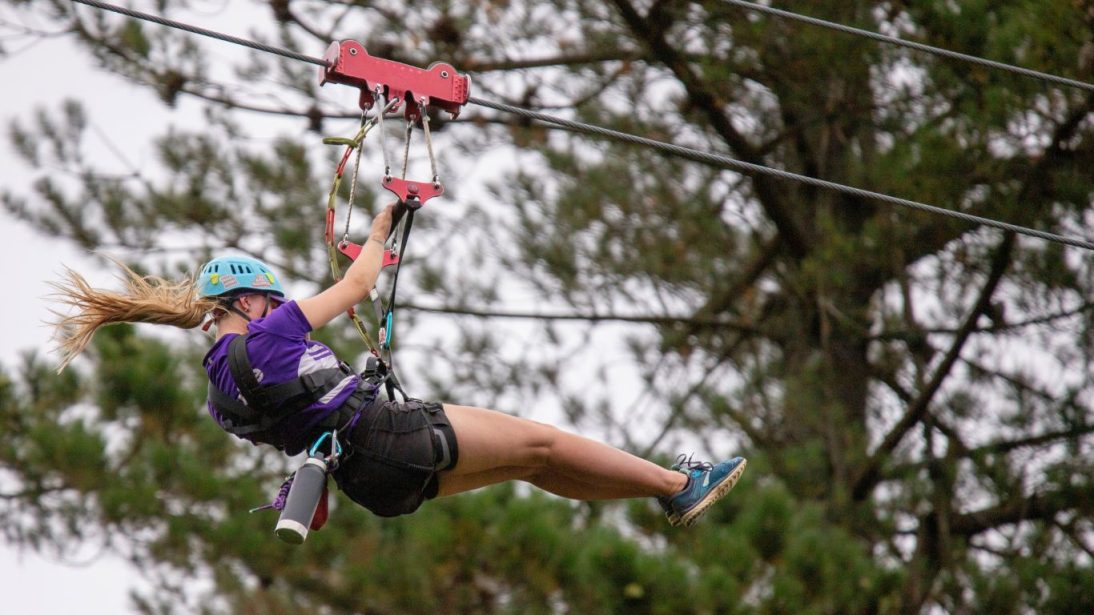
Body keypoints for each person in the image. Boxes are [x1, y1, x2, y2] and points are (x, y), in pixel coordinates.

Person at [51, 204, 746, 527]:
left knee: (537, 462)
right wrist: (382, 229)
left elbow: (298, 405)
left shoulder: (219, 389)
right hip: (390, 434)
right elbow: (354, 290)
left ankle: (671, 489)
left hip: (370, 481)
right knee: (546, 443)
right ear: (245, 300)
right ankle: (678, 482)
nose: (282, 301)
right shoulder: (269, 336)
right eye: (271, 295)